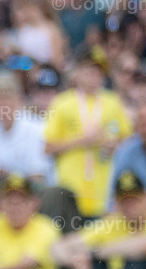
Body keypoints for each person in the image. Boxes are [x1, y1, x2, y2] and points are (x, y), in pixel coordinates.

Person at [44, 53, 132, 218]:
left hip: (104, 189)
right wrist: (83, 141)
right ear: (77, 73)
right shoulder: (62, 102)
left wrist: (114, 145)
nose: (94, 77)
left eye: (98, 72)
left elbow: (128, 141)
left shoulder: (113, 102)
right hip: (69, 188)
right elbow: (48, 147)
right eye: (89, 71)